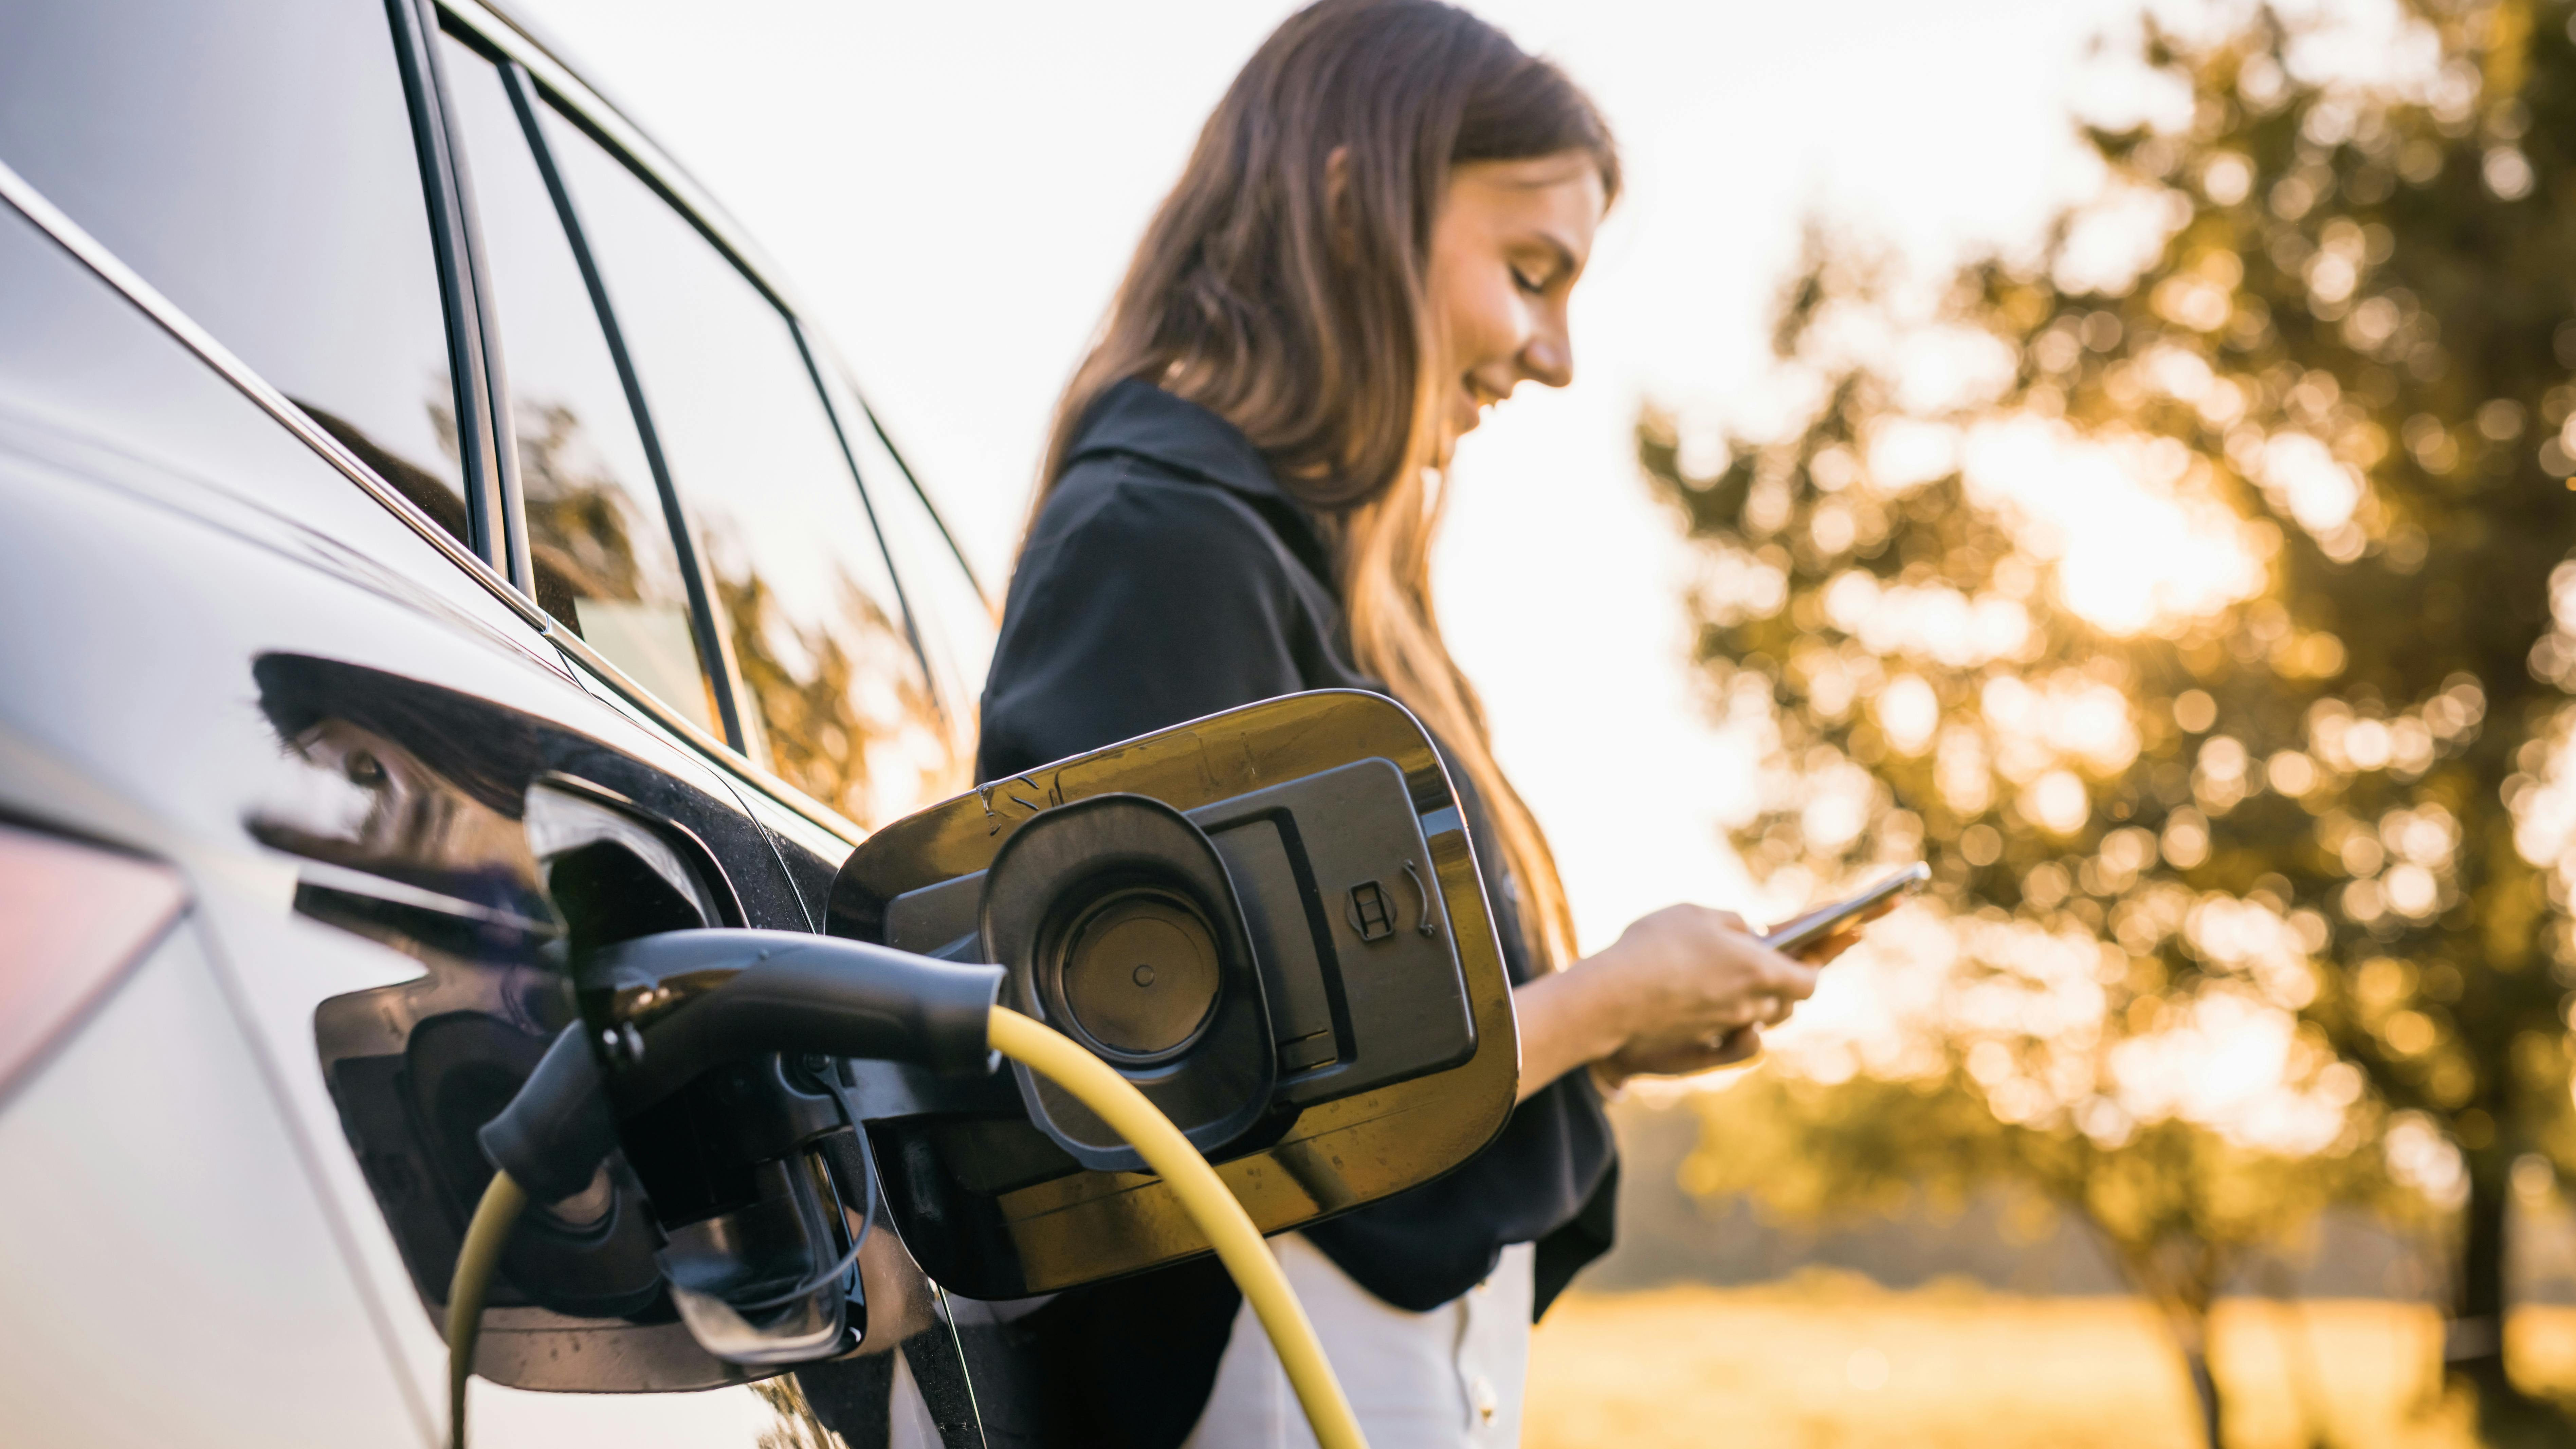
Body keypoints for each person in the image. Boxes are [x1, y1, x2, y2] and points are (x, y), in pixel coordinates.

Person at [976, 2, 1848, 1443]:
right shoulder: (1161, 543)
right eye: (1529, 273)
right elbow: (1170, 1088)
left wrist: (1615, 1040)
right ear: (1348, 208)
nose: (1554, 355)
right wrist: (1601, 1002)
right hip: (1262, 1363)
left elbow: (1344, 1032)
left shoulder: (1315, 572)